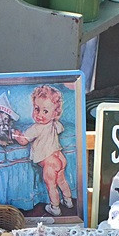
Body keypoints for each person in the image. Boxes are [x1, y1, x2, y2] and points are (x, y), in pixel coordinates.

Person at [12, 85, 72, 217]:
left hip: (49, 162)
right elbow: (60, 129)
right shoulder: (55, 124)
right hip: (60, 158)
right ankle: (68, 200)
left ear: (55, 113)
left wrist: (16, 134)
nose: (39, 115)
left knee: (51, 185)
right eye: (37, 109)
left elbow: (24, 140)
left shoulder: (36, 128)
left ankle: (55, 207)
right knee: (61, 180)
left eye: (45, 111)